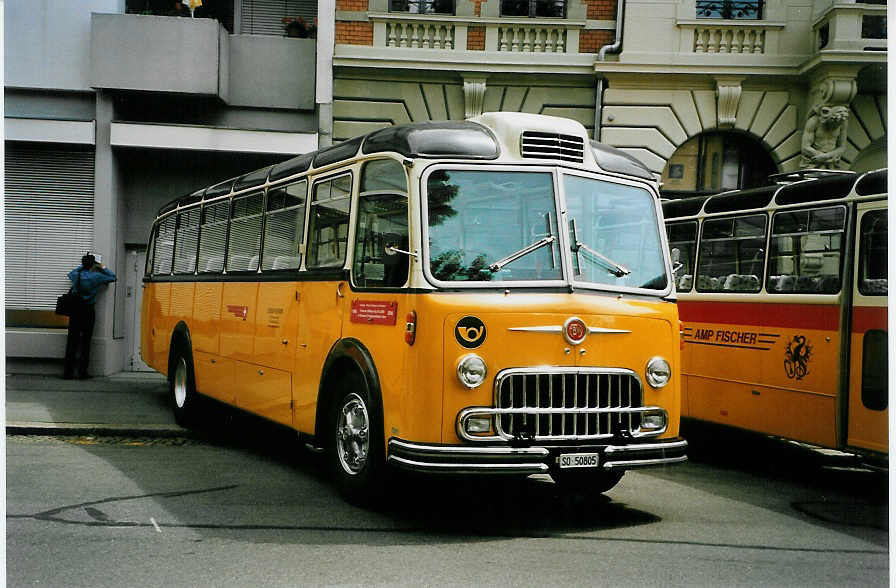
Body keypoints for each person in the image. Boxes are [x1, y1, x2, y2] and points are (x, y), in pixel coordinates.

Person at [63, 254, 116, 380]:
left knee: (72, 342)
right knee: (86, 342)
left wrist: (83, 265)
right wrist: (101, 266)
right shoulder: (97, 276)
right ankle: (82, 372)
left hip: (75, 311)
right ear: (93, 265)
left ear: (83, 264)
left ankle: (68, 373)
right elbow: (113, 277)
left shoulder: (77, 275)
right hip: (88, 311)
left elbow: (71, 273)